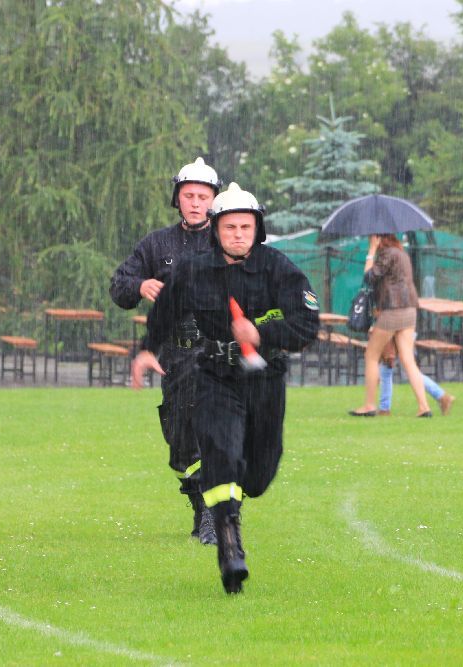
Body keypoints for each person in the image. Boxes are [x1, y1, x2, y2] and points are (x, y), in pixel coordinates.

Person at [131, 183, 319, 593]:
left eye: (246, 226)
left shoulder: (279, 269)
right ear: (215, 229)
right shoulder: (193, 269)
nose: (238, 234)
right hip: (214, 375)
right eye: (230, 226)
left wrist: (262, 331)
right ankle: (229, 543)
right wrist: (148, 350)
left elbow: (308, 324)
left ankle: (240, 503)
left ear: (258, 229)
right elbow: (164, 313)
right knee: (220, 451)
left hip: (265, 381)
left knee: (257, 476)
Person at [110, 157, 221, 545]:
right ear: (177, 199)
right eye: (188, 196)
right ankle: (197, 504)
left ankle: (213, 514)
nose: (195, 203)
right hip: (173, 356)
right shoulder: (157, 244)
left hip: (216, 353)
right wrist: (141, 286)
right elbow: (119, 285)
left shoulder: (229, 241)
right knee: (180, 442)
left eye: (203, 197)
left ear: (214, 201)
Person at [350, 233, 432, 417]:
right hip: (410, 310)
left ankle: (369, 405)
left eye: (372, 238)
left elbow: (369, 277)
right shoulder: (402, 254)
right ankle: (423, 406)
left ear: (379, 238)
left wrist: (371, 251)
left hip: (393, 310)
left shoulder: (387, 254)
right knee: (408, 359)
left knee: (371, 354)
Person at [376, 340, 455, 416]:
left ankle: (441, 396)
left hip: (395, 332)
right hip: (404, 331)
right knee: (389, 368)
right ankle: (384, 408)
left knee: (406, 370)